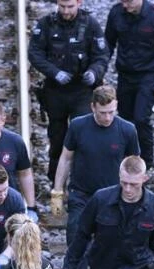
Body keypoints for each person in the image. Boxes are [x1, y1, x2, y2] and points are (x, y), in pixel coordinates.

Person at [51, 85, 140, 269]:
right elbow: (66, 157)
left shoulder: (127, 130)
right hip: (82, 196)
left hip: (115, 199)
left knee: (112, 253)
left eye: (111, 112)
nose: (107, 117)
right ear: (93, 108)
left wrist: (135, 199)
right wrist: (58, 190)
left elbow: (135, 167)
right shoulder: (78, 126)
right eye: (102, 112)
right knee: (77, 250)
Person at [29, 0, 109, 183]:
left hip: (82, 91)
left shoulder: (90, 24)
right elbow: (34, 53)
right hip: (56, 91)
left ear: (79, 3)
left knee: (83, 136)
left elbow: (102, 55)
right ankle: (55, 183)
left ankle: (81, 181)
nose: (65, 11)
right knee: (57, 138)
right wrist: (53, 72)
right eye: (62, 6)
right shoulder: (46, 24)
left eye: (70, 7)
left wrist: (94, 72)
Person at [105, 0, 154, 170]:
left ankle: (146, 162)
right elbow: (108, 43)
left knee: (141, 118)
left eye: (129, 1)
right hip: (125, 74)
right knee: (124, 118)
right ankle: (126, 159)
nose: (125, 5)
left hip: (149, 74)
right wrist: (99, 69)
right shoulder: (116, 13)